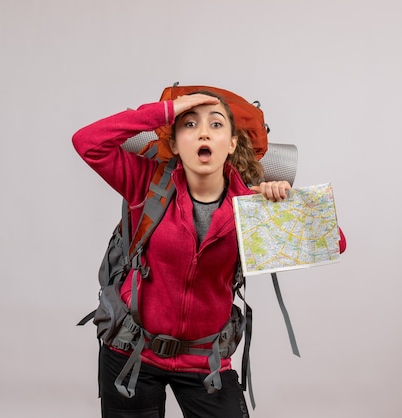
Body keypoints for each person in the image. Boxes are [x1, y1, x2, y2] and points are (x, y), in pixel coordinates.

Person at [72, 90, 347, 417]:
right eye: (189, 124)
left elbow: (333, 241)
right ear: (174, 144)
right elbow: (86, 141)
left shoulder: (251, 208)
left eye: (216, 124)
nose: (203, 132)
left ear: (232, 143)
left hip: (204, 363)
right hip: (131, 351)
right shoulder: (145, 184)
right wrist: (164, 111)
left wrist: (285, 205)